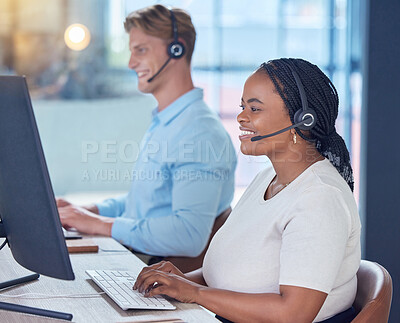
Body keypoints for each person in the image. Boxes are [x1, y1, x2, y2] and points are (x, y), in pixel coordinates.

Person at [133, 58, 361, 323]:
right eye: (243, 106)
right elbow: (235, 272)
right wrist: (177, 282)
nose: (241, 117)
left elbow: (294, 314)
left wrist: (194, 292)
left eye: (255, 108)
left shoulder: (320, 199)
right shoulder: (268, 179)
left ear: (302, 120)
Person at [57, 5, 237, 258]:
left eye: (140, 50)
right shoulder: (168, 122)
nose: (131, 64)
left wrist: (99, 225)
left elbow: (189, 236)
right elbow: (143, 206)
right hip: (139, 257)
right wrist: (86, 211)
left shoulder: (199, 133)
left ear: (177, 49)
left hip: (153, 269)